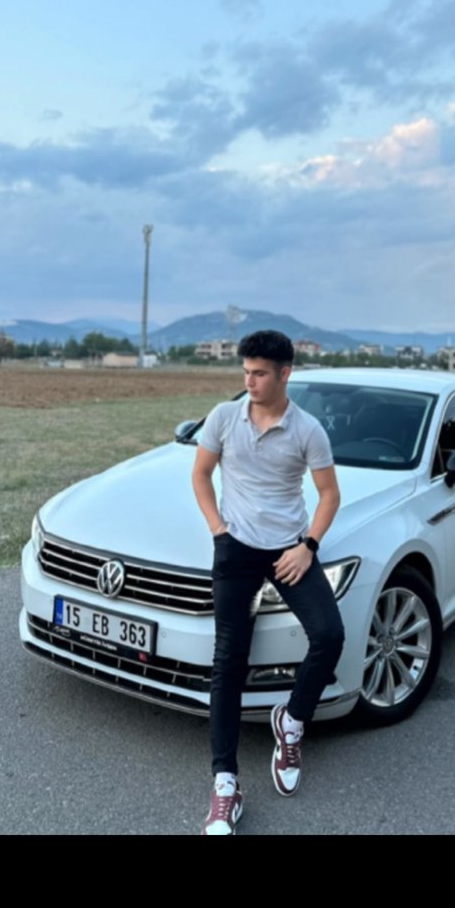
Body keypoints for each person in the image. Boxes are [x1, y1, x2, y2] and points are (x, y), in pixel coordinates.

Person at [192, 328, 344, 835]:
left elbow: (329, 494)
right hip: (235, 550)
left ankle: (292, 721)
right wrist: (218, 529)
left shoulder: (308, 430)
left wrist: (308, 546)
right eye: (245, 372)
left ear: (285, 374)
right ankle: (225, 785)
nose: (249, 382)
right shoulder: (223, 417)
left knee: (330, 634)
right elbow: (201, 474)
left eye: (259, 373)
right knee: (228, 661)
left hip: (289, 550)